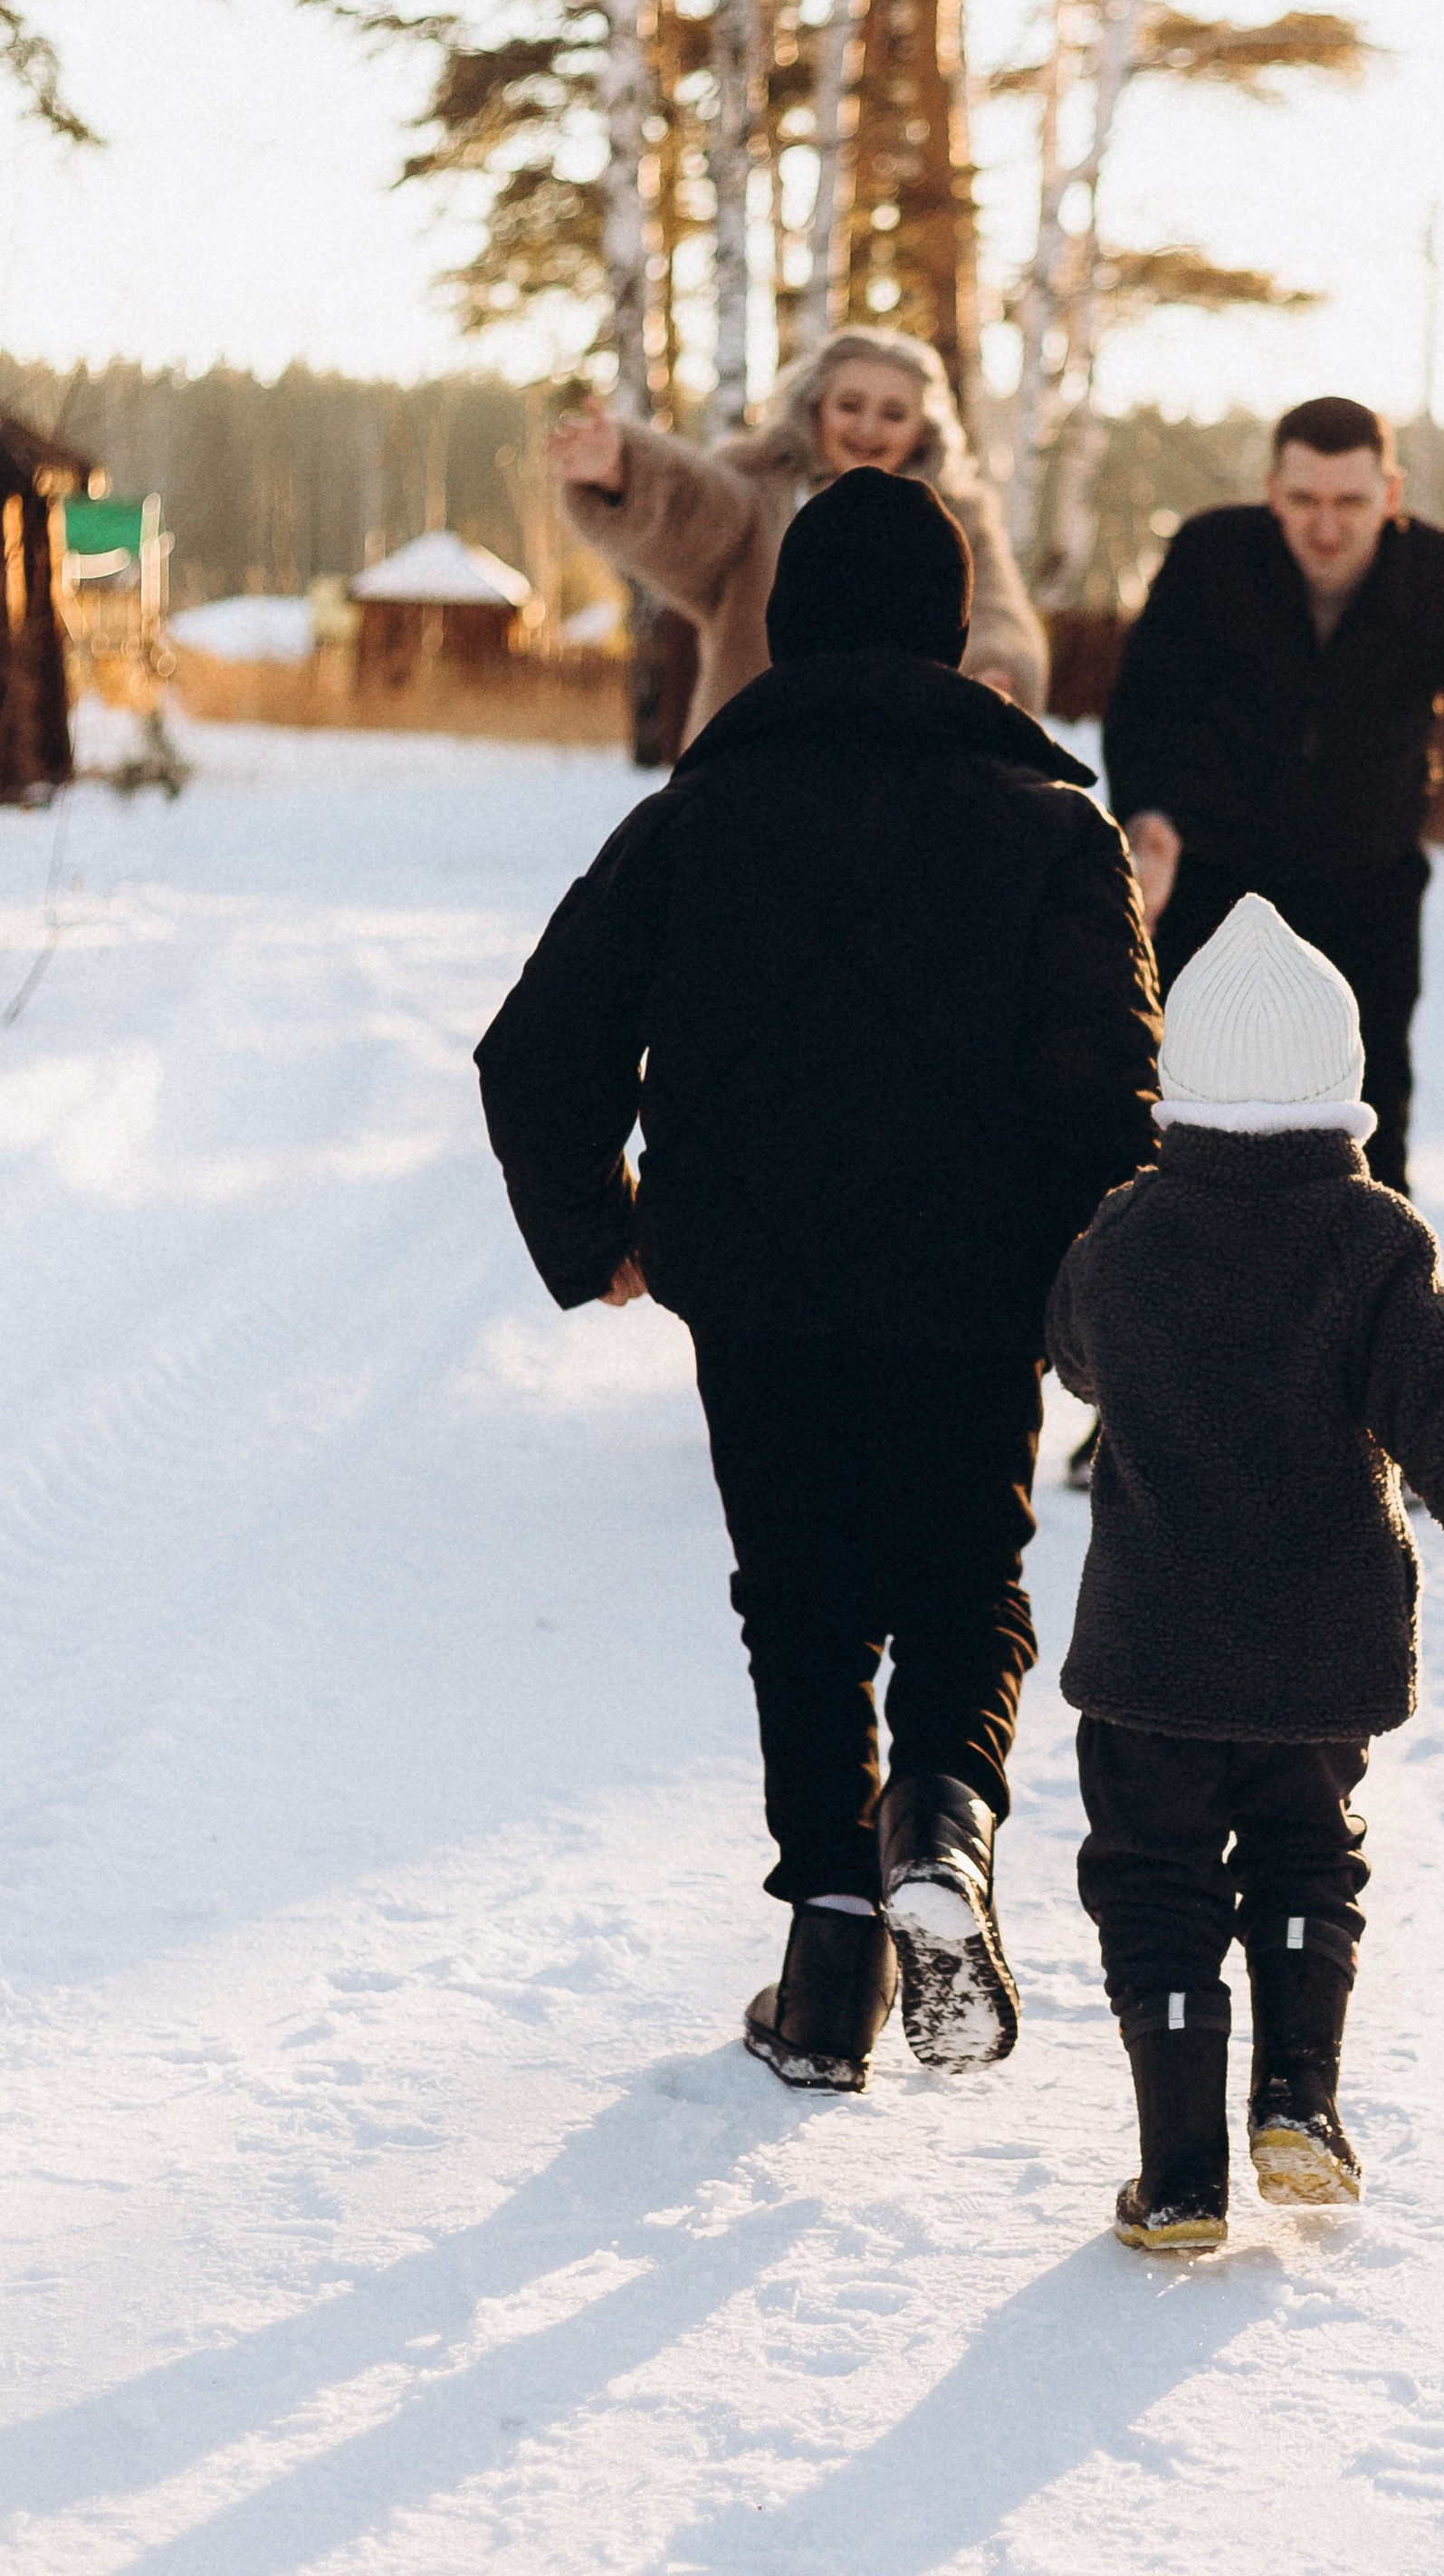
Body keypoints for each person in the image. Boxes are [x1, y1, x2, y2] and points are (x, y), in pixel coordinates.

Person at [475, 466, 1162, 2093]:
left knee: (799, 1600)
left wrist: (607, 1231)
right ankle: (945, 1826)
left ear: (783, 628)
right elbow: (1113, 1106)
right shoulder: (1052, 830)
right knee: (965, 1583)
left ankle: (832, 1959)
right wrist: (1094, 1301)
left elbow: (535, 1055)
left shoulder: (694, 821)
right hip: (975, 1290)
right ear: (956, 635)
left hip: (754, 1282)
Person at [1047, 893, 1444, 2253]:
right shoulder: (1375, 1244)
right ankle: (1299, 2104)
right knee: (1306, 1856)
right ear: (1343, 1093)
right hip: (1319, 1654)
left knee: (1155, 1880)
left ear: (1179, 1096)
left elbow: (1073, 1355)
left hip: (1152, 1654)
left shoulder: (1125, 1239)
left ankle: (1181, 2172)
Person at [1103, 393, 1444, 1202]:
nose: (1326, 528)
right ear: (1271, 492)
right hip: (1214, 879)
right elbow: (1145, 705)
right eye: (1304, 500)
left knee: (1368, 1112)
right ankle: (1166, 1264)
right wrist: (1149, 826)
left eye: (1350, 502)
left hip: (1367, 883)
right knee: (1183, 1102)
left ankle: (1374, 1271)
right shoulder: (1210, 557)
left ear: (1390, 495)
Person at [550, 325, 1047, 751]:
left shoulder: (956, 517)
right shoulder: (760, 491)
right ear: (814, 408)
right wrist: (624, 470)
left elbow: (994, 611)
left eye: (893, 414)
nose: (868, 428)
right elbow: (696, 511)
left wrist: (993, 673)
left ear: (923, 431)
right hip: (753, 768)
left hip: (901, 775)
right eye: (849, 405)